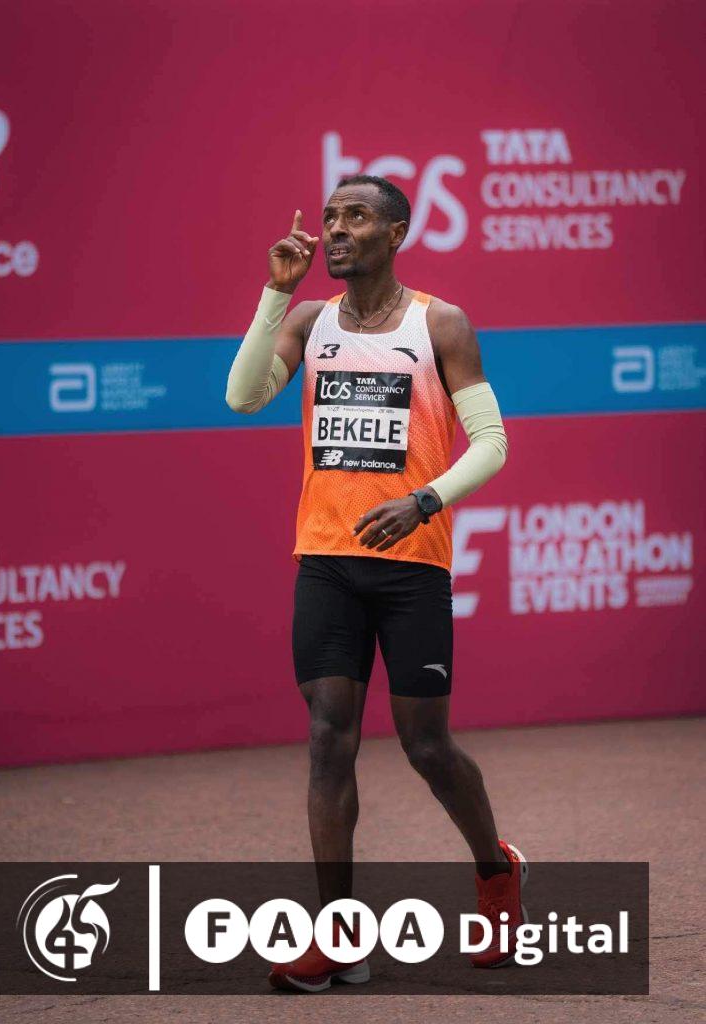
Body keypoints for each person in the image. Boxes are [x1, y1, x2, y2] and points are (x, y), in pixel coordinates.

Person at [226, 175, 526, 991]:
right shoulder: (308, 321)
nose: (334, 228)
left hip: (411, 565)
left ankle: (495, 871)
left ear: (395, 233)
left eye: (355, 216)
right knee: (329, 737)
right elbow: (242, 397)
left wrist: (424, 500)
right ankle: (338, 934)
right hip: (326, 560)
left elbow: (492, 443)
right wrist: (274, 294)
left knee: (426, 746)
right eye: (329, 216)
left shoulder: (440, 323)